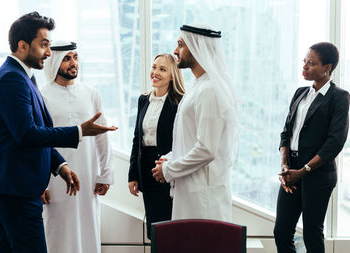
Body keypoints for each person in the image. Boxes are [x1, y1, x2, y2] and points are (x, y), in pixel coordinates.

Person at [0, 12, 117, 253]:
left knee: (8, 248)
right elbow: (27, 134)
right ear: (23, 45)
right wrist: (78, 132)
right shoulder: (12, 78)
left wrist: (60, 166)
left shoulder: (24, 76)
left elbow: (35, 132)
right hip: (15, 186)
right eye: (43, 45)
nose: (49, 52)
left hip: (10, 185)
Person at [152, 24, 239, 222]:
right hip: (191, 190)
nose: (175, 51)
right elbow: (190, 139)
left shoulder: (210, 90)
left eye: (181, 45)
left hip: (204, 197)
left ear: (198, 47)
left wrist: (169, 170)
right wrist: (171, 158)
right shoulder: (197, 86)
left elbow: (207, 149)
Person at [274, 42, 350, 253]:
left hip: (317, 173)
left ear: (327, 67)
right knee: (281, 232)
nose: (305, 67)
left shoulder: (339, 97)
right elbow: (286, 133)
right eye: (305, 62)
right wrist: (284, 164)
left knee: (311, 234)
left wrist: (304, 170)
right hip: (292, 169)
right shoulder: (300, 93)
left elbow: (335, 141)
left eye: (311, 63)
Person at [40, 41, 114, 253]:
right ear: (54, 62)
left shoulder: (91, 93)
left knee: (88, 230)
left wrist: (105, 175)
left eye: (76, 57)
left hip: (88, 177)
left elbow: (102, 137)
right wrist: (41, 183)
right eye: (67, 58)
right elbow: (39, 142)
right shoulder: (42, 96)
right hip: (55, 179)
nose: (74, 63)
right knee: (58, 232)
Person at [128, 53, 185, 239]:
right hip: (146, 169)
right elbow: (137, 138)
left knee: (170, 229)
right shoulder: (143, 99)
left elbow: (183, 141)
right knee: (154, 230)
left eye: (162, 69)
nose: (155, 72)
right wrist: (133, 175)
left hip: (167, 169)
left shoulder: (180, 102)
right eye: (154, 67)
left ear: (172, 75)